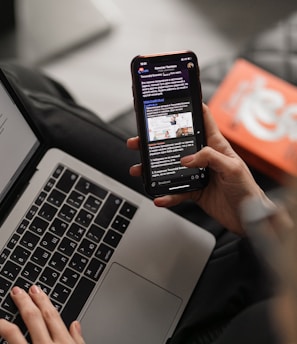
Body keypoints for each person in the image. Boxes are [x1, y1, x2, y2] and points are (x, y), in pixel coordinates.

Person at [0, 63, 293, 343]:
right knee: (25, 87)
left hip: (215, 275)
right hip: (233, 249)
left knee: (24, 82)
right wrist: (263, 223)